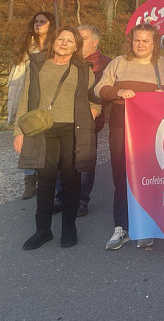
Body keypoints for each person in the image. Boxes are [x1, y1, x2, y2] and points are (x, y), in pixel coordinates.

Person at [13, 27, 101, 250]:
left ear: (76, 47)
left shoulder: (83, 68)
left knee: (71, 179)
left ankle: (69, 228)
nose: (64, 43)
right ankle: (42, 230)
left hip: (73, 129)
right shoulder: (38, 65)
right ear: (53, 41)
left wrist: (92, 111)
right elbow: (25, 98)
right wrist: (19, 131)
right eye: (61, 39)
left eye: (70, 41)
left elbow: (95, 98)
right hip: (42, 130)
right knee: (45, 179)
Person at [95, 24, 164, 250]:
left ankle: (148, 226)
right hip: (122, 124)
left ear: (154, 43)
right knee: (122, 175)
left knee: (152, 175)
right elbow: (99, 88)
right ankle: (122, 226)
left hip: (154, 128)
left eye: (145, 41)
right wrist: (118, 92)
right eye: (136, 40)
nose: (140, 45)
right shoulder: (119, 62)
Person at [52, 24, 111, 217]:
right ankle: (60, 196)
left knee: (84, 158)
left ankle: (81, 199)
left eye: (83, 38)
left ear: (95, 42)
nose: (78, 41)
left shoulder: (105, 63)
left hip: (90, 118)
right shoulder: (67, 60)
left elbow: (103, 92)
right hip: (64, 118)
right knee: (63, 157)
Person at [7, 11, 56, 200]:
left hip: (45, 96)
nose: (38, 25)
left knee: (46, 137)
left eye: (42, 22)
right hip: (25, 94)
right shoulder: (27, 46)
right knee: (27, 136)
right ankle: (29, 181)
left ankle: (47, 177)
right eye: (35, 21)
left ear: (50, 24)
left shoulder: (54, 46)